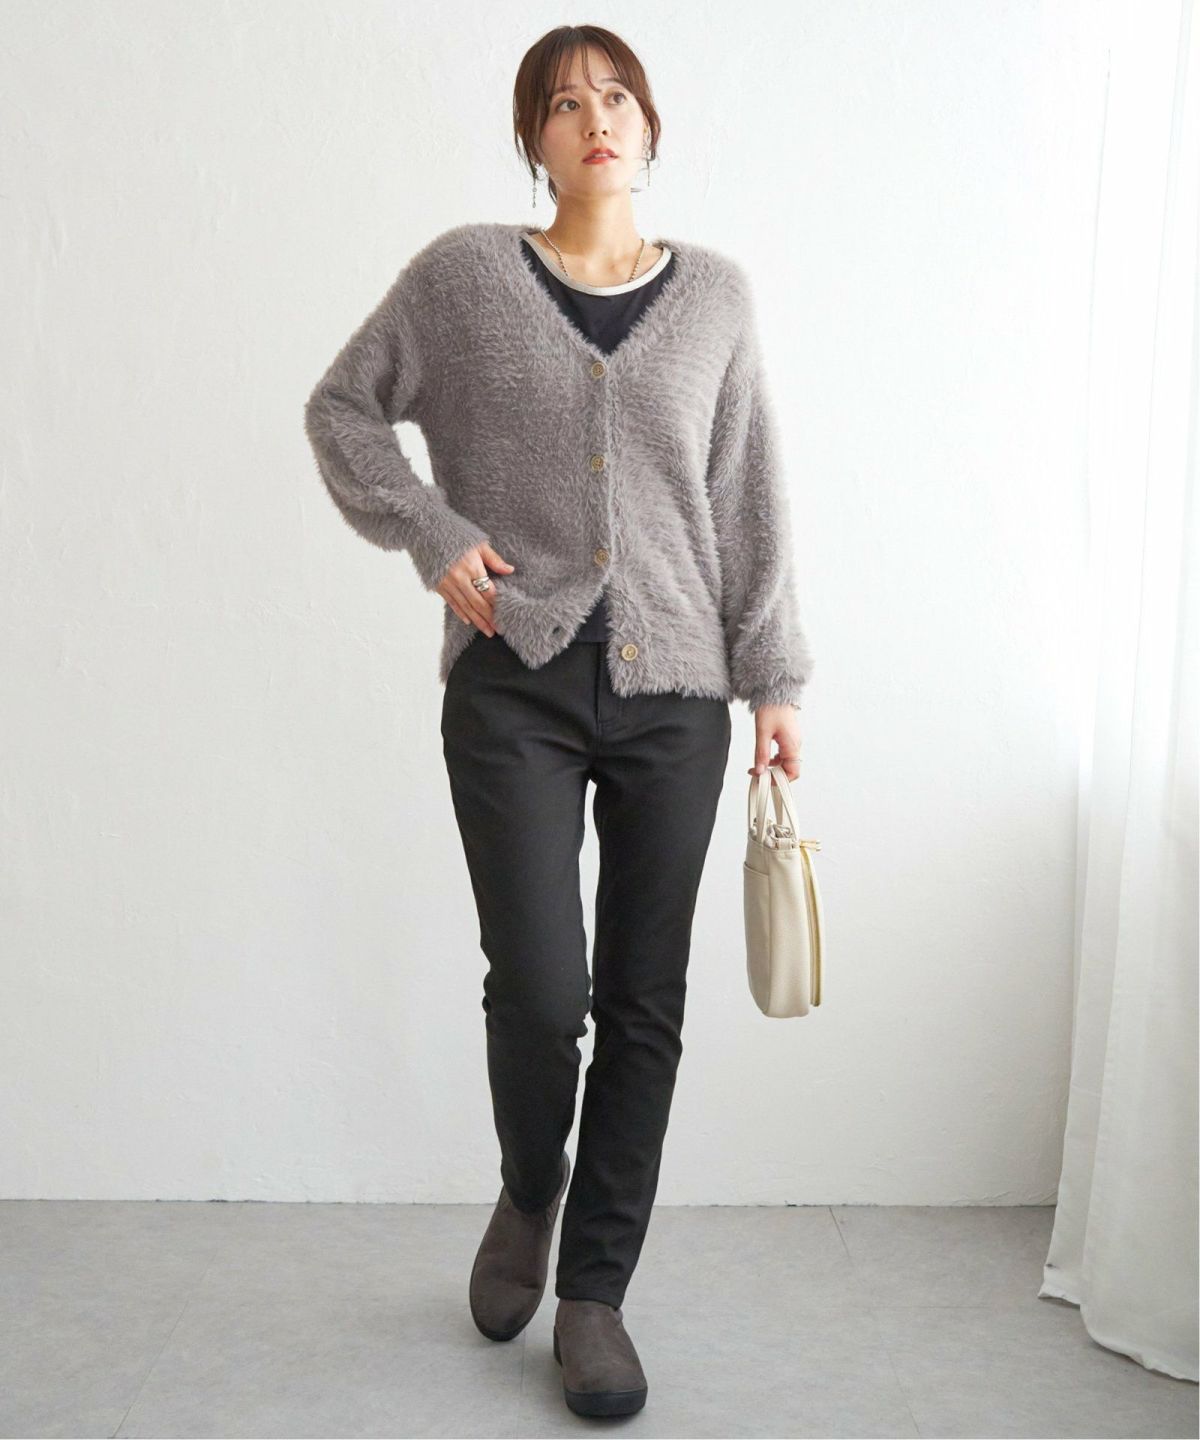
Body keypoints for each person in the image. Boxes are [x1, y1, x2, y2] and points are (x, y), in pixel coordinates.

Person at [303, 24, 814, 1420]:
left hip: (679, 694)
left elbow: (749, 496)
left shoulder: (716, 297)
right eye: (564, 101)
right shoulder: (466, 277)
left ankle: (595, 1294)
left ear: (650, 124)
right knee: (541, 988)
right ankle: (531, 1186)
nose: (596, 117)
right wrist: (432, 533)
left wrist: (773, 682)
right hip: (512, 681)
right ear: (532, 138)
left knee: (646, 1000)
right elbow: (343, 411)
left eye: (616, 95)